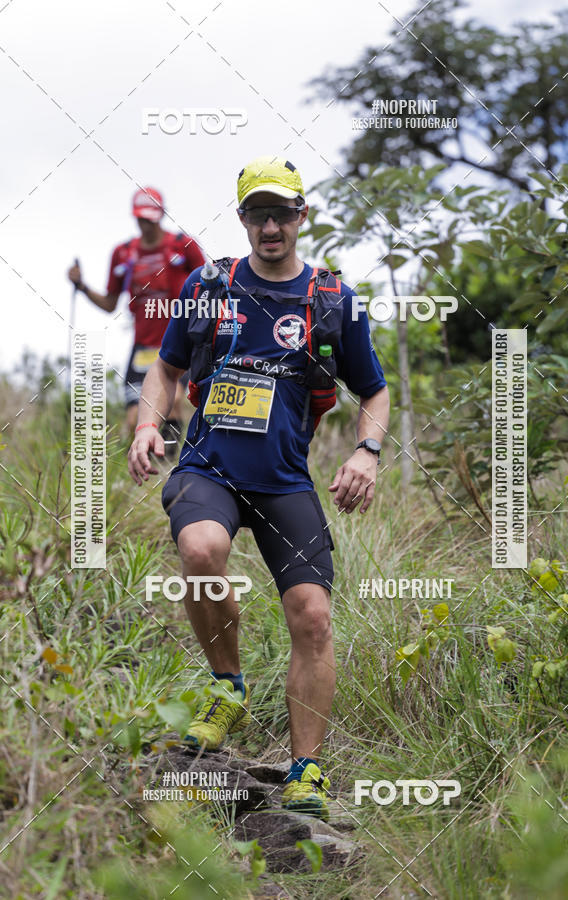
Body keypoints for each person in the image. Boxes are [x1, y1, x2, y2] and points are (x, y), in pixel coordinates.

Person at [127, 156, 390, 821]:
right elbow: (165, 369)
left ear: (302, 217)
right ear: (242, 218)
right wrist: (147, 425)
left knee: (313, 614)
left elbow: (375, 393)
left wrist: (368, 451)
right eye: (258, 213)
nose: (271, 226)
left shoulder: (331, 301)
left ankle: (305, 769)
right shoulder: (208, 286)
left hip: (282, 483)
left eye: (283, 213)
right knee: (201, 548)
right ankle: (228, 687)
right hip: (207, 469)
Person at [67, 187, 206, 448]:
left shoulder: (183, 246)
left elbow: (208, 287)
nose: (146, 225)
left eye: (151, 219)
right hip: (142, 346)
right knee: (134, 418)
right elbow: (110, 303)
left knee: (173, 400)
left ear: (161, 216)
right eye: (142, 219)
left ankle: (169, 468)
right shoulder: (124, 253)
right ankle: (146, 468)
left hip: (179, 342)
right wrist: (82, 286)